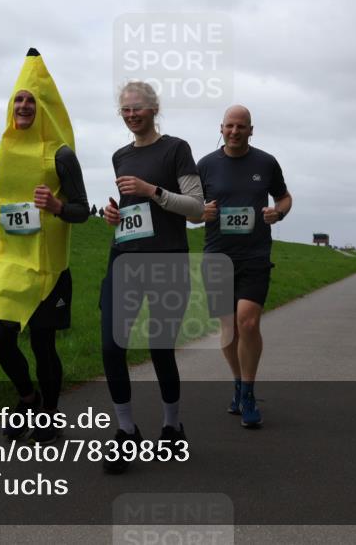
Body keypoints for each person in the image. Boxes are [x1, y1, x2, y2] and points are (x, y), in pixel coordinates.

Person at [0, 48, 89, 445]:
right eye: (18, 99)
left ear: (44, 109)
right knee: (0, 337)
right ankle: (27, 398)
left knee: (42, 342)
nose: (23, 105)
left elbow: (81, 210)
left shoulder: (61, 155)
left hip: (48, 266)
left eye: (31, 100)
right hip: (6, 257)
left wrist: (57, 206)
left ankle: (48, 416)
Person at [100, 80, 204, 474]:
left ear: (153, 109)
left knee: (161, 349)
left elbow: (195, 208)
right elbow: (133, 212)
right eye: (125, 110)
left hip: (167, 262)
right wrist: (115, 215)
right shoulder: (119, 156)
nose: (131, 115)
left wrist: (152, 190)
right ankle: (126, 432)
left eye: (137, 108)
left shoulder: (176, 149)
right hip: (124, 258)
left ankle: (172, 425)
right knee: (112, 346)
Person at [191, 105, 291, 428]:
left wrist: (279, 211)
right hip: (217, 256)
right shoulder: (205, 166)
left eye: (241, 126)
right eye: (229, 126)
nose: (234, 131)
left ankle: (248, 393)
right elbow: (189, 208)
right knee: (228, 329)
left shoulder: (266, 162)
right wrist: (199, 212)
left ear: (251, 130)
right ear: (221, 128)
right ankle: (237, 382)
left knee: (247, 323)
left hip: (255, 256)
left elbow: (285, 197)